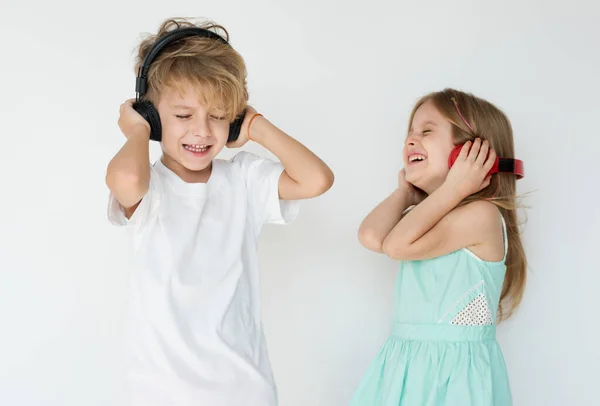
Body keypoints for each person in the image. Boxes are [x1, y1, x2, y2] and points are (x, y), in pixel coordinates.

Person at [105, 17, 334, 406]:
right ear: (153, 116)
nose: (202, 131)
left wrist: (257, 126)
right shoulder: (150, 185)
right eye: (182, 116)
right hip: (160, 390)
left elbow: (317, 179)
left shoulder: (244, 179)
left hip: (243, 388)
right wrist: (138, 132)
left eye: (217, 115)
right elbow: (125, 181)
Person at [351, 88, 526, 406]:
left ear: (469, 155)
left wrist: (454, 188)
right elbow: (371, 237)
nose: (410, 140)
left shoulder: (481, 215)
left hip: (453, 376)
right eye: (410, 132)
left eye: (426, 131)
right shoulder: (430, 218)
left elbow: (395, 247)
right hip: (406, 365)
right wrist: (405, 194)